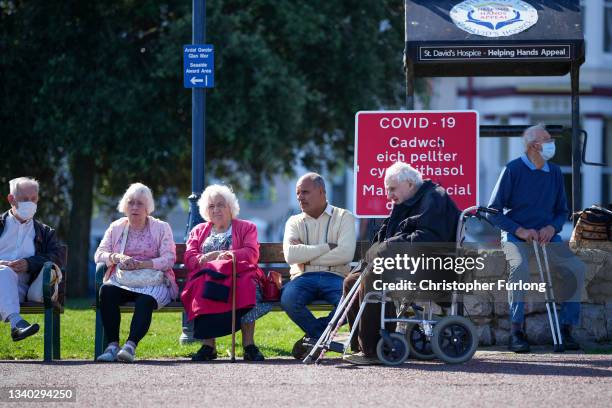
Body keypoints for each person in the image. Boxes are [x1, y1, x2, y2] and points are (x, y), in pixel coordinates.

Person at [343, 162, 460, 365]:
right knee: (351, 280)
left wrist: (387, 247)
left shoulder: (435, 198)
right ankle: (362, 346)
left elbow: (428, 239)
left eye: (392, 189)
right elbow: (389, 234)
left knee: (371, 278)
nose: (388, 195)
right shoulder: (406, 201)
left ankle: (373, 349)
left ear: (409, 184)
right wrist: (374, 252)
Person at [488, 124, 585, 353]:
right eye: (548, 139)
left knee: (576, 267)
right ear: (534, 145)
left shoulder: (554, 173)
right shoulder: (512, 169)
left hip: (547, 236)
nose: (552, 143)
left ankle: (565, 329)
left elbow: (562, 211)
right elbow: (493, 211)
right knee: (519, 268)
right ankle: (516, 331)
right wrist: (519, 230)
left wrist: (552, 227)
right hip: (515, 235)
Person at [182, 184, 271, 361]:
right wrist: (204, 259)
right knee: (201, 287)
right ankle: (208, 346)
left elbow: (252, 253)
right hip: (208, 277)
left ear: (230, 207)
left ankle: (249, 345)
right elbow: (189, 257)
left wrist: (228, 255)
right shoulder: (198, 231)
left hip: (237, 275)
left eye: (221, 205)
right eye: (211, 206)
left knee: (248, 286)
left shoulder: (246, 227)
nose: (216, 210)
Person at [94, 183, 178, 363]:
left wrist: (144, 264)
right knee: (106, 291)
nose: (134, 207)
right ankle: (112, 346)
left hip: (153, 281)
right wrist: (117, 257)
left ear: (148, 207)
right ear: (125, 206)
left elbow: (169, 259)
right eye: (130, 202)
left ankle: (130, 347)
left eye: (140, 203)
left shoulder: (161, 227)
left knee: (145, 301)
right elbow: (99, 254)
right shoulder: (116, 227)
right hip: (124, 280)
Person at [281, 172, 356, 360]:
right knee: (288, 299)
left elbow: (346, 254)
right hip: (302, 278)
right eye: (298, 193)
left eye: (305, 192)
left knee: (350, 302)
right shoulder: (293, 221)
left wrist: (306, 257)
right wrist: (326, 248)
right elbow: (291, 255)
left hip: (336, 277)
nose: (300, 197)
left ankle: (313, 338)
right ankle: (322, 337)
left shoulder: (344, 217)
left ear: (322, 192)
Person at [0, 177, 63, 342]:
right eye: (24, 199)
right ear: (11, 199)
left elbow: (57, 256)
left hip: (23, 289)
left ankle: (16, 323)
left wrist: (29, 263)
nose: (30, 203)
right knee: (4, 271)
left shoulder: (45, 232)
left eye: (33, 199)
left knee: (5, 273)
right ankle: (17, 324)